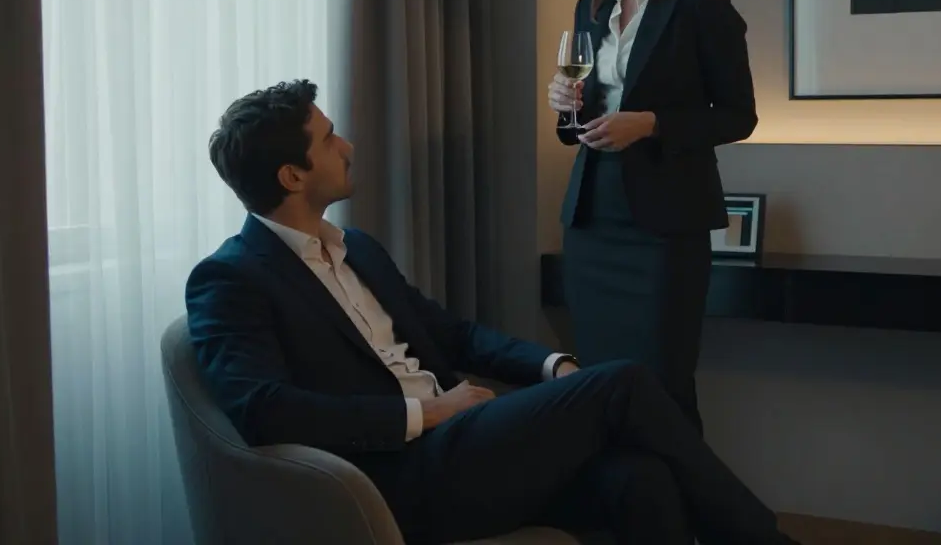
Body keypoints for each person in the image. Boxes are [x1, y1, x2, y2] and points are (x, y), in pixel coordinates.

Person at [186, 80, 799, 545]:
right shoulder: (231, 279)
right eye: (328, 140)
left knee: (641, 481)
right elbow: (265, 409)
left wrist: (550, 365)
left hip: (466, 446)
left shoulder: (357, 249)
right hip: (395, 476)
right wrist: (424, 414)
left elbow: (451, 334)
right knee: (623, 383)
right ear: (292, 174)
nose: (347, 147)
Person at [547, 0, 757, 434]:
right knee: (598, 387)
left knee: (662, 388)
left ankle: (682, 493)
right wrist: (566, 103)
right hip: (592, 219)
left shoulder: (701, 0)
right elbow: (579, 124)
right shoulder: (591, 6)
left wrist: (652, 124)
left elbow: (738, 116)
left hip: (664, 227)